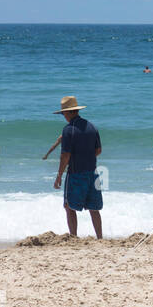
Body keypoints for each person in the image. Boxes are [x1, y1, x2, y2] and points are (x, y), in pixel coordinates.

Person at [51, 96, 103, 239]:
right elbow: (98, 150)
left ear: (68, 112)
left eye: (63, 113)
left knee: (69, 206)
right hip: (93, 172)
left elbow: (65, 155)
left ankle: (73, 237)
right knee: (94, 208)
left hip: (75, 173)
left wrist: (59, 175)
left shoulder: (69, 130)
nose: (63, 116)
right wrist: (86, 157)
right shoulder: (92, 126)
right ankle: (100, 237)